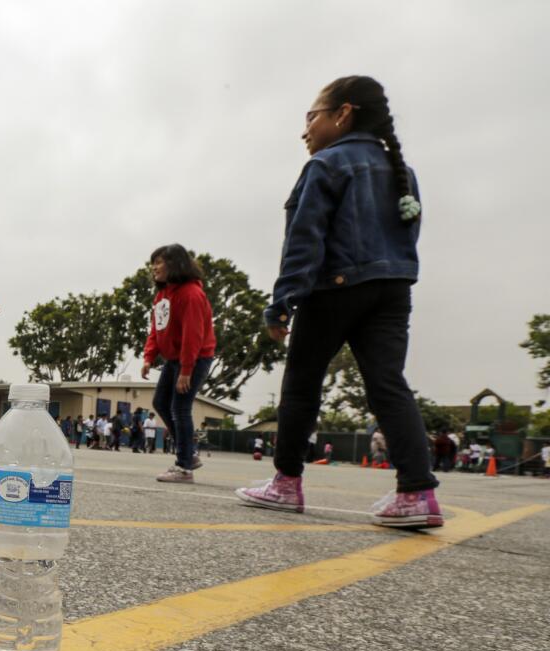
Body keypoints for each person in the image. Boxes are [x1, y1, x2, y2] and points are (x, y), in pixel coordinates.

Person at [236, 76, 442, 529]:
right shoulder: (402, 172)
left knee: (302, 383)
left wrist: (282, 303)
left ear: (342, 114)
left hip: (334, 286)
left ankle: (286, 483)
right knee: (388, 384)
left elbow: (304, 241)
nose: (305, 128)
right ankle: (417, 492)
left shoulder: (327, 165)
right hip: (393, 288)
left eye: (312, 116)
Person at [140, 244, 217, 483]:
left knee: (180, 408)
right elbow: (157, 328)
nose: (154, 267)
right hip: (174, 359)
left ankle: (184, 466)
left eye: (159, 262)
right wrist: (149, 356)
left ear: (175, 264)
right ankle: (189, 453)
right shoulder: (162, 295)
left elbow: (192, 336)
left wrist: (186, 370)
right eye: (153, 262)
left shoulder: (191, 294)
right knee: (161, 402)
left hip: (194, 359)